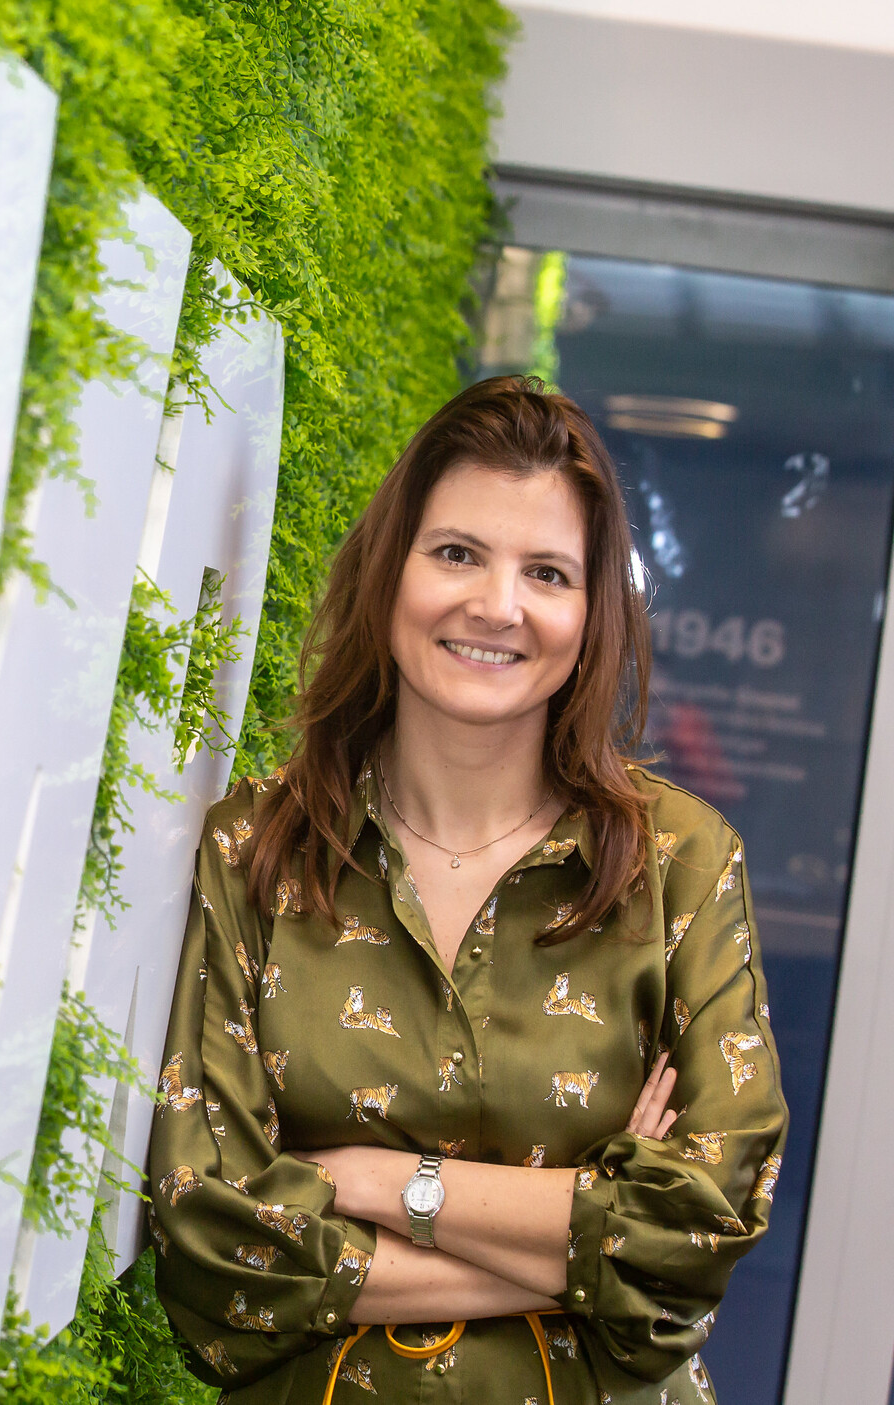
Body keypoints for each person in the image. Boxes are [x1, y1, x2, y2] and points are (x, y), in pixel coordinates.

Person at [147, 376, 787, 1404]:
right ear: (388, 569)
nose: (496, 605)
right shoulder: (255, 851)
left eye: (546, 571)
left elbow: (699, 1226)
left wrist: (379, 1184)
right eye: (455, 553)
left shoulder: (677, 863)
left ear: (590, 614)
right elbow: (215, 1236)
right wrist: (586, 1234)